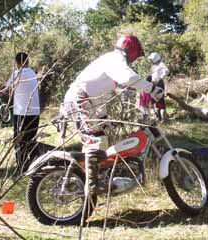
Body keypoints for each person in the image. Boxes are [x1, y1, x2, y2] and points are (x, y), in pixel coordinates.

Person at [60, 35, 164, 194]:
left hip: (84, 99)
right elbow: (129, 78)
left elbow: (101, 97)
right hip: (80, 99)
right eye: (135, 56)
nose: (133, 60)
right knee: (96, 140)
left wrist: (104, 119)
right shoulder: (115, 59)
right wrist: (152, 89)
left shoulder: (111, 62)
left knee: (101, 138)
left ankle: (94, 177)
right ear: (130, 50)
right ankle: (93, 184)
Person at [5, 52, 40, 173]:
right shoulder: (33, 73)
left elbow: (8, 87)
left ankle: (22, 167)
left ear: (17, 63)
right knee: (31, 138)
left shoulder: (17, 74)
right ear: (28, 61)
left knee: (19, 140)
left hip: (21, 111)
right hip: (35, 111)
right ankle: (33, 164)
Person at [138, 52, 169, 121]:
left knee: (160, 100)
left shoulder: (161, 64)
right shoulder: (154, 66)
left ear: (155, 59)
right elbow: (152, 75)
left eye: (151, 59)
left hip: (159, 83)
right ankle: (158, 117)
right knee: (154, 100)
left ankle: (164, 118)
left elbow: (167, 71)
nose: (150, 61)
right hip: (153, 84)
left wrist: (160, 77)